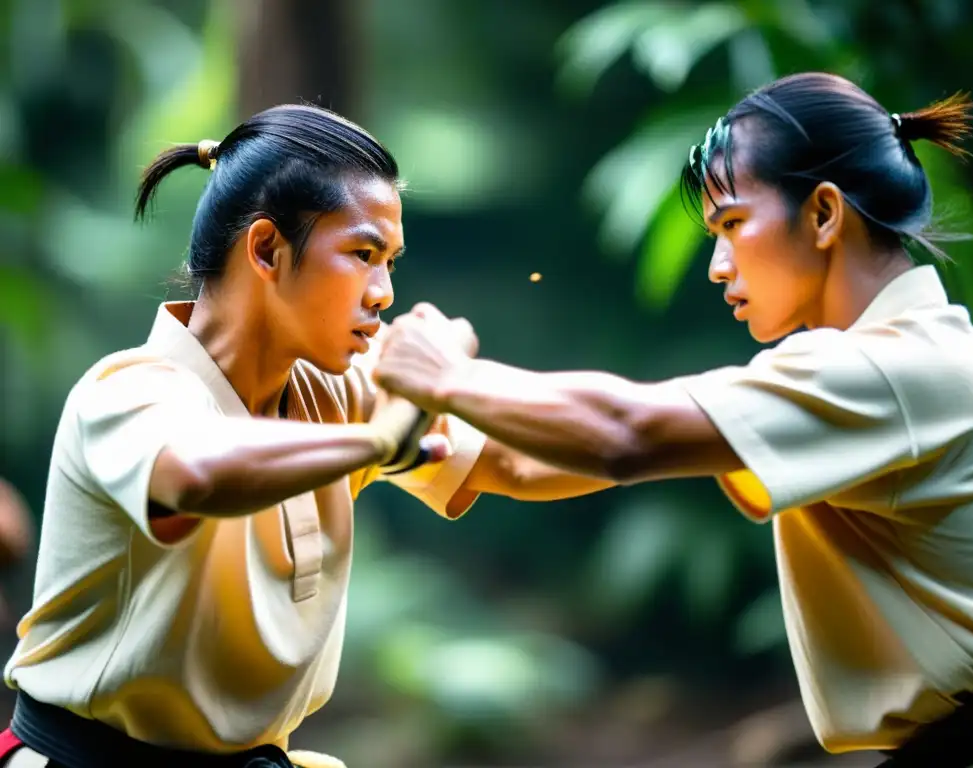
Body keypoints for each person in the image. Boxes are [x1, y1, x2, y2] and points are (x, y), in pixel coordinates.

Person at [374, 73, 973, 768]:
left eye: (733, 225)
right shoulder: (879, 364)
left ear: (825, 214)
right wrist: (384, 435)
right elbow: (532, 463)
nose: (718, 266)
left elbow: (625, 435)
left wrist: (449, 376)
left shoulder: (889, 369)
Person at [0, 104, 613, 768]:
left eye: (389, 263)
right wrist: (379, 440)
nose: (382, 292)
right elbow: (198, 475)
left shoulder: (339, 390)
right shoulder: (128, 391)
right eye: (362, 254)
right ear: (265, 249)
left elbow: (514, 461)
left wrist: (708, 433)